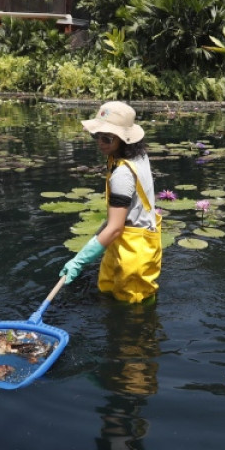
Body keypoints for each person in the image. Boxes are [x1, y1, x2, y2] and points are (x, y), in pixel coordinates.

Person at [59, 101, 162, 303]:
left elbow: (115, 228)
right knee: (107, 292)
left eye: (107, 137)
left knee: (133, 304)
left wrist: (79, 261)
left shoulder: (122, 174)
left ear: (125, 139)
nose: (100, 142)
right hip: (131, 237)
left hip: (133, 249)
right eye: (97, 135)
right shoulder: (138, 155)